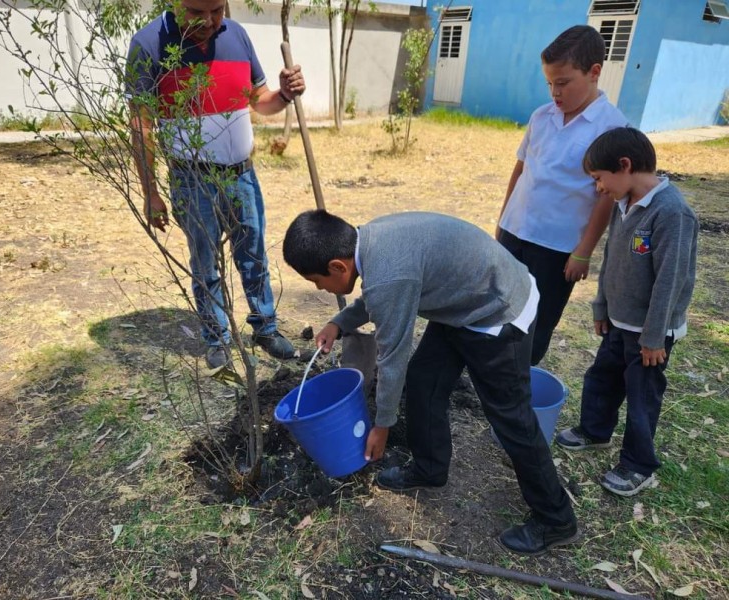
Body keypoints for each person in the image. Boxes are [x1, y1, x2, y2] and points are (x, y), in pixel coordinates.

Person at [283, 209, 578, 555]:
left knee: (512, 418)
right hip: (461, 301)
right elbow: (379, 294)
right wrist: (339, 322)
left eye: (318, 281)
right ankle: (430, 468)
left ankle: (556, 520)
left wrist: (383, 425)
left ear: (338, 266)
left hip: (498, 312)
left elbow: (391, 357)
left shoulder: (389, 274)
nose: (320, 288)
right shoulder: (370, 240)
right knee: (424, 380)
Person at [125, 0, 304, 368]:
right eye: (196, 12)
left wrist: (284, 94)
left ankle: (265, 327)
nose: (209, 21)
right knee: (205, 263)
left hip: (242, 175)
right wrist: (150, 193)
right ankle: (217, 337)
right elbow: (141, 126)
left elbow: (260, 101)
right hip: (192, 181)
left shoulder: (237, 35)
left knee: (253, 256)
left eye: (217, 10)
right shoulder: (148, 45)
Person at [556, 128, 698, 497]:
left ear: (624, 165)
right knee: (602, 378)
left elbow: (670, 280)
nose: (598, 188)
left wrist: (654, 337)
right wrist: (602, 305)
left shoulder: (671, 214)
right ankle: (594, 430)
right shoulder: (623, 204)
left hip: (650, 334)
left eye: (599, 179)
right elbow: (612, 258)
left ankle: (639, 465)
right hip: (619, 322)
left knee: (641, 397)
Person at [496, 25, 628, 366]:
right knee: (498, 306)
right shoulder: (542, 116)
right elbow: (521, 169)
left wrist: (584, 251)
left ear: (594, 71)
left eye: (564, 82)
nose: (555, 91)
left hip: (556, 247)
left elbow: (605, 198)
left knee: (536, 320)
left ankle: (518, 381)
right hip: (515, 231)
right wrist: (502, 222)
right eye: (550, 83)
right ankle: (487, 373)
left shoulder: (611, 128)